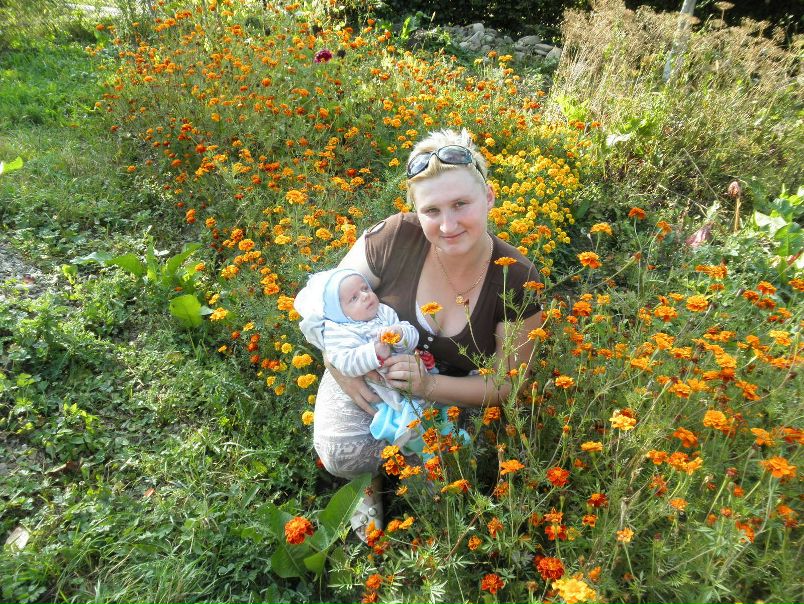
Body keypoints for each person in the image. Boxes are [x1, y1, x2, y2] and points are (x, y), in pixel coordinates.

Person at [300, 128, 543, 540]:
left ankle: (407, 469)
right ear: (416, 209)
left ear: (489, 197)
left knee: (439, 492)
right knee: (342, 451)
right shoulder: (395, 237)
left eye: (461, 204)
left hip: (452, 393)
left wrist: (427, 385)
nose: (447, 225)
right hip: (371, 373)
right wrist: (338, 367)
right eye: (432, 210)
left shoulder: (517, 278)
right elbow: (319, 307)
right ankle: (367, 483)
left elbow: (506, 383)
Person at [294, 267, 430, 455]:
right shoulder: (340, 331)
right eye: (354, 298)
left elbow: (410, 335)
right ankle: (421, 446)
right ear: (339, 312)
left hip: (409, 373)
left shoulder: (383, 312)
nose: (365, 296)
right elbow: (344, 363)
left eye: (365, 288)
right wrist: (373, 353)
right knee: (402, 420)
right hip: (380, 390)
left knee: (426, 404)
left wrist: (400, 334)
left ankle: (438, 425)